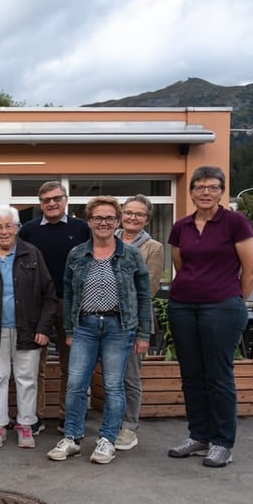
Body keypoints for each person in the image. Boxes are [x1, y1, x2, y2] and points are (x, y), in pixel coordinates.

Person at [166, 166, 253, 468]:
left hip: (221, 308)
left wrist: (231, 299)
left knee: (218, 376)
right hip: (182, 307)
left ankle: (222, 442)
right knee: (191, 374)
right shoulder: (181, 226)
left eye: (213, 187)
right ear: (191, 191)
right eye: (200, 187)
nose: (206, 192)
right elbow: (181, 265)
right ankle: (199, 435)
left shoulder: (235, 222)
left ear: (222, 191)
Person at [47, 196, 151, 465]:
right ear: (89, 221)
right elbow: (68, 294)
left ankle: (107, 440)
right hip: (85, 326)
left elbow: (143, 296)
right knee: (75, 384)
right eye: (97, 218)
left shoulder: (131, 254)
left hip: (119, 327)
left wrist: (143, 334)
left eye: (109, 218)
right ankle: (72, 438)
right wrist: (69, 329)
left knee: (114, 386)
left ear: (117, 222)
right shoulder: (77, 254)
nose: (103, 223)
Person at [0, 206, 56, 449]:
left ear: (17, 228)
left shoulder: (32, 254)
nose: (3, 231)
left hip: (28, 329)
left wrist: (44, 328)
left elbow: (49, 296)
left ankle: (26, 426)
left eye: (8, 226)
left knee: (26, 379)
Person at [19, 181, 90, 434]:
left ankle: (66, 416)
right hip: (36, 305)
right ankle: (34, 416)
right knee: (33, 366)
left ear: (65, 199)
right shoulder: (27, 231)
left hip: (70, 304)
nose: (51, 203)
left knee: (70, 365)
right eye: (46, 200)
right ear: (40, 203)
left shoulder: (81, 228)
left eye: (56, 198)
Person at [114, 194, 164, 451]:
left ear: (147, 219)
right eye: (129, 212)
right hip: (105, 320)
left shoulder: (153, 247)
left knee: (130, 377)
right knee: (112, 376)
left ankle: (129, 426)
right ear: (121, 214)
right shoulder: (108, 240)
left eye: (139, 214)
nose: (133, 217)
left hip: (133, 322)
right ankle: (112, 424)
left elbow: (149, 289)